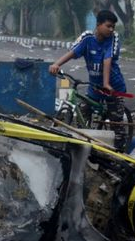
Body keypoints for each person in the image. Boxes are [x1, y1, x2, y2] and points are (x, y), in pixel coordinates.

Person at [49, 10, 129, 151]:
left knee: (116, 123)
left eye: (113, 27)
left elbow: (107, 59)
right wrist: (56, 64)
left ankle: (120, 153)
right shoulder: (87, 38)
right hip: (95, 86)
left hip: (113, 86)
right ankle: (85, 146)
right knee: (83, 112)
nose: (111, 29)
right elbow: (73, 52)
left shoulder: (113, 38)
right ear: (98, 24)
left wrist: (106, 84)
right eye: (108, 26)